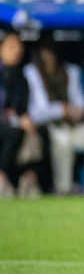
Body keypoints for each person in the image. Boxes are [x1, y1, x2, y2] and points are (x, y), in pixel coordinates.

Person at [24, 35, 84, 195]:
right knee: (63, 141)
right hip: (48, 126)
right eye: (46, 51)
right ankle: (63, 188)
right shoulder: (32, 72)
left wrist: (78, 110)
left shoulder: (69, 70)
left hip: (71, 124)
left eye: (53, 51)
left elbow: (79, 101)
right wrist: (61, 109)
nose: (50, 55)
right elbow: (37, 111)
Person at [0, 34, 33, 199]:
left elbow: (23, 109)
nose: (16, 51)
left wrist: (25, 120)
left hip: (14, 124)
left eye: (19, 47)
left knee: (37, 133)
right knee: (13, 132)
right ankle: (2, 177)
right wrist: (18, 121)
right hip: (4, 124)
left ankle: (29, 179)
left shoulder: (22, 78)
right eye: (11, 46)